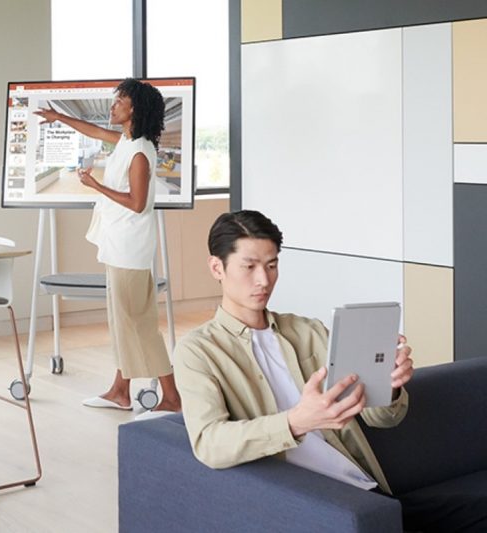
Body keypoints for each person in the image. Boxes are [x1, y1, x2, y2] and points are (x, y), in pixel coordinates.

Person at [176, 210, 487, 531]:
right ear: (217, 267)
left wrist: (389, 386)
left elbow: (382, 418)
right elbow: (209, 443)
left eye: (272, 265)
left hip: (366, 495)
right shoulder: (197, 351)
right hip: (307, 504)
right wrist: (296, 422)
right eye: (249, 266)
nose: (264, 280)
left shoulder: (309, 331)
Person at [34, 79, 181, 413]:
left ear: (135, 109)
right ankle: (120, 390)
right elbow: (92, 130)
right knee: (125, 321)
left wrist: (95, 185)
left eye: (120, 100)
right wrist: (60, 118)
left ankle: (172, 397)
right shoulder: (126, 142)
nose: (113, 105)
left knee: (136, 323)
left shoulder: (140, 153)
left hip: (130, 249)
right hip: (120, 245)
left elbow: (138, 203)